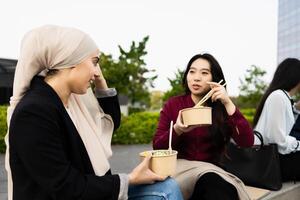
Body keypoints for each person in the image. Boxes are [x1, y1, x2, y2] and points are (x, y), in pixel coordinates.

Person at [5, 25, 183, 200]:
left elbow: (110, 121)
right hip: (77, 193)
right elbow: (65, 188)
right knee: (166, 190)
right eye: (94, 61)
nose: (97, 71)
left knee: (167, 185)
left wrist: (100, 81)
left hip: (89, 190)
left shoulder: (70, 101)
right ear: (71, 61)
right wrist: (130, 179)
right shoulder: (34, 112)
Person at [153, 53, 254, 200]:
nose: (196, 77)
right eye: (192, 71)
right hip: (179, 172)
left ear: (215, 79)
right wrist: (177, 130)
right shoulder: (173, 104)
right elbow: (157, 147)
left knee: (221, 190)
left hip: (210, 172)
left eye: (204, 73)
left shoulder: (221, 109)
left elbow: (247, 142)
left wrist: (228, 103)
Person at [253, 58, 300, 182]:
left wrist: (296, 108)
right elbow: (277, 140)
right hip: (273, 164)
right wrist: (298, 144)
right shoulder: (278, 97)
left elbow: (287, 128)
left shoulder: (282, 97)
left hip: (277, 161)